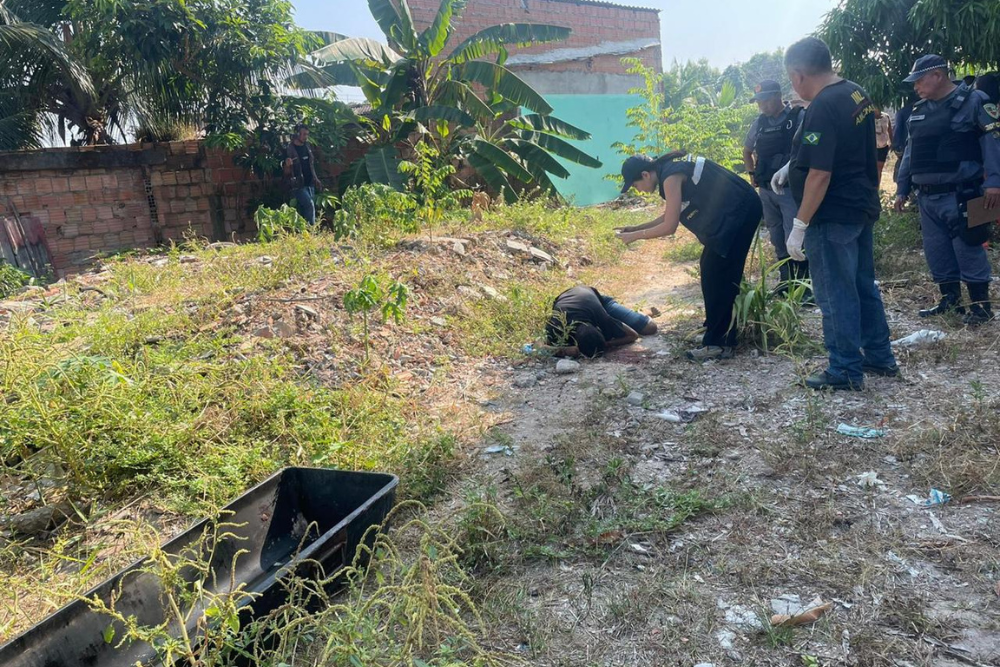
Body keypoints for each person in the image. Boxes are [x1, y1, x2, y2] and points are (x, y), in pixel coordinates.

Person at [771, 37, 897, 390]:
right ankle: (879, 355)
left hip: (832, 214)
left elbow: (821, 173)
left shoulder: (822, 105)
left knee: (835, 292)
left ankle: (844, 369)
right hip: (859, 204)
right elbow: (833, 147)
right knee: (861, 285)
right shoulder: (855, 93)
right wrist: (791, 165)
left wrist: (799, 224)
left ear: (797, 75)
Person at [616, 152, 762, 361]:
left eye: (635, 184)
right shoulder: (669, 169)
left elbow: (669, 226)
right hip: (738, 209)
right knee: (711, 269)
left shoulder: (671, 176)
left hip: (740, 212)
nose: (638, 190)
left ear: (645, 175)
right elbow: (670, 214)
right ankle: (717, 332)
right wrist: (635, 228)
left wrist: (634, 237)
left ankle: (719, 343)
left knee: (718, 275)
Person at [893, 55, 1000, 325]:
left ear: (938, 76)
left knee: (969, 245)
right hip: (927, 196)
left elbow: (992, 143)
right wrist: (902, 187)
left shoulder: (975, 101)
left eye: (919, 80)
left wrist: (995, 183)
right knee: (936, 249)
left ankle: (980, 306)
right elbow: (910, 153)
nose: (915, 86)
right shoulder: (917, 110)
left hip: (963, 192)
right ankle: (949, 300)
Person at [742, 79, 808, 293]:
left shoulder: (798, 116)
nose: (761, 105)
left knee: (794, 236)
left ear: (777, 96)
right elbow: (747, 150)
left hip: (790, 189)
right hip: (766, 191)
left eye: (764, 100)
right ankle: (786, 281)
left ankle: (803, 286)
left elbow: (807, 148)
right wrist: (752, 173)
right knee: (776, 234)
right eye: (758, 101)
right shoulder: (759, 123)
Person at [541, 286, 657, 358]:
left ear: (598, 327)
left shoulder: (602, 319)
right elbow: (537, 347)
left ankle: (642, 312)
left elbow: (633, 335)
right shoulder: (557, 325)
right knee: (632, 324)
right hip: (569, 297)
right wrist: (563, 350)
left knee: (650, 328)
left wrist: (608, 344)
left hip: (598, 301)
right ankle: (631, 314)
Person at [283, 123, 323, 225]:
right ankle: (311, 231)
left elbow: (311, 165)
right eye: (304, 134)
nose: (306, 137)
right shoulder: (289, 149)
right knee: (309, 205)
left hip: (310, 182)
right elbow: (284, 170)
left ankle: (304, 232)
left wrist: (316, 178)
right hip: (298, 184)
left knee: (306, 207)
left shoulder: (307, 146)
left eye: (307, 134)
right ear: (297, 134)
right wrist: (287, 165)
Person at [874, 108, 894, 182]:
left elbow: (890, 131)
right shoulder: (869, 118)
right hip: (872, 147)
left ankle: (877, 186)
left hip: (883, 146)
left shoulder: (886, 117)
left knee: (879, 168)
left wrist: (892, 142)